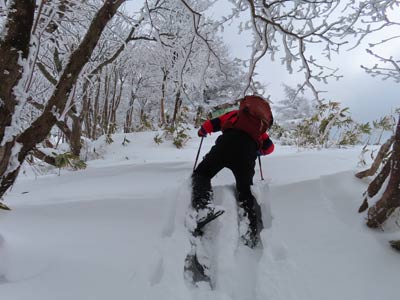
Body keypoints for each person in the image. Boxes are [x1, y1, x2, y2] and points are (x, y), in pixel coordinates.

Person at [191, 95, 274, 248]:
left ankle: (203, 208)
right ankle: (250, 231)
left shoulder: (235, 115)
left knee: (202, 173)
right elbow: (269, 148)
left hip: (226, 145)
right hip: (247, 153)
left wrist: (202, 131)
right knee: (245, 191)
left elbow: (210, 125)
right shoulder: (259, 126)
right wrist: (258, 151)